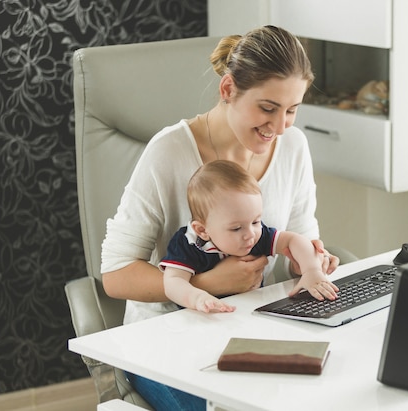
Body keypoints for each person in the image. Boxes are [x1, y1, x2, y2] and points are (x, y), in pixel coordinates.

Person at [99, 25, 340, 410]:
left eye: (292, 110)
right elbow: (115, 274)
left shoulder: (293, 146)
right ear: (228, 90)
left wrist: (310, 263)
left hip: (253, 329)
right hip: (164, 341)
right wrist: (206, 282)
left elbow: (301, 237)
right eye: (267, 108)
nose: (279, 127)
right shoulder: (169, 152)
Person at [161, 160, 339, 313]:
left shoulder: (256, 234)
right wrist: (197, 298)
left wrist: (312, 270)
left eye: (255, 221)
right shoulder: (189, 243)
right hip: (201, 320)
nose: (250, 235)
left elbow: (294, 240)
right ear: (202, 230)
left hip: (250, 314)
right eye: (236, 228)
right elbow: (173, 282)